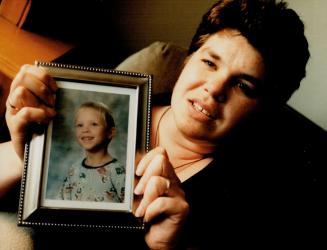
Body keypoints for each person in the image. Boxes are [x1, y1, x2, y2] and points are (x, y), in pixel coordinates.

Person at [1, 0, 313, 249]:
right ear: (188, 59)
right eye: (209, 62)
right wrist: (27, 154)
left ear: (264, 110)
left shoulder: (243, 200)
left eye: (244, 86)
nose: (215, 89)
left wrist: (169, 246)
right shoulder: (114, 100)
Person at [58, 101, 125, 202]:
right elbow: (61, 200)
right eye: (80, 125)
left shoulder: (118, 172)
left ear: (110, 132)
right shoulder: (74, 170)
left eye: (94, 124)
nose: (85, 129)